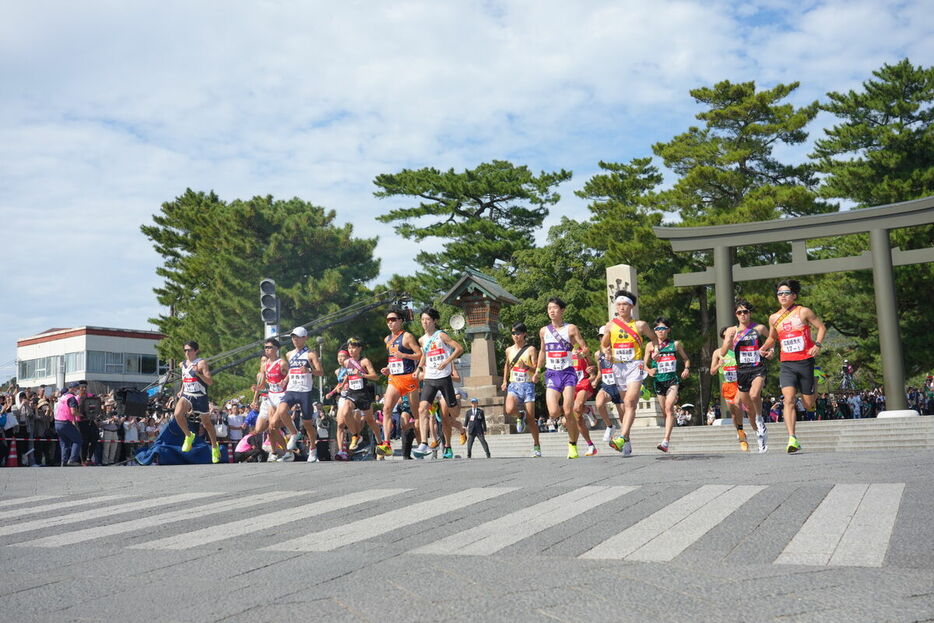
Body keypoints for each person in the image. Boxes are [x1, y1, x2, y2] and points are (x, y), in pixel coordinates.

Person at [759, 279, 827, 453]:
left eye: (786, 293)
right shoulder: (774, 318)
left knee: (809, 403)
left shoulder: (803, 312)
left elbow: (821, 327)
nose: (782, 296)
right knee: (788, 400)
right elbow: (772, 338)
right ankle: (792, 438)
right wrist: (765, 347)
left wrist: (817, 345)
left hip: (805, 362)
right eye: (779, 293)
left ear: (794, 295)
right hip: (787, 363)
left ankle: (814, 384)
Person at [532, 297, 590, 459]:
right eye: (549, 308)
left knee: (567, 409)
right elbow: (543, 352)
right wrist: (537, 370)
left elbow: (585, 348)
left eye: (555, 308)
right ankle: (568, 422)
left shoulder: (571, 329)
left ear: (562, 310)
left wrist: (581, 352)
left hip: (568, 373)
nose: (551, 311)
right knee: (553, 411)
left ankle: (572, 444)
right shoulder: (544, 331)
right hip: (551, 373)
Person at [602, 290, 658, 456]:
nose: (621, 307)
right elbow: (604, 345)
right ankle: (627, 439)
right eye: (618, 304)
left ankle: (621, 436)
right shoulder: (610, 325)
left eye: (624, 304)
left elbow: (654, 338)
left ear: (631, 306)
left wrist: (655, 350)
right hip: (618, 367)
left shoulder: (640, 325)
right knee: (623, 408)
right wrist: (607, 352)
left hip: (635, 365)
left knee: (630, 402)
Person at [719, 300, 770, 453]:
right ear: (736, 314)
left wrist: (770, 351)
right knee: (748, 408)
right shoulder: (731, 331)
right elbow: (722, 352)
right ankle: (758, 433)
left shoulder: (759, 328)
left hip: (757, 369)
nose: (743, 315)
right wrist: (728, 340)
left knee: (755, 394)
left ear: (750, 313)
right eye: (739, 312)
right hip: (741, 371)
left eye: (745, 311)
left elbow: (771, 341)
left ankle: (760, 420)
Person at [414, 307, 465, 460]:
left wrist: (447, 361)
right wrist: (418, 369)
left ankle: (458, 414)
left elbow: (459, 348)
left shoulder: (441, 335)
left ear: (434, 321)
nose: (425, 322)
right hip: (430, 378)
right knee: (422, 408)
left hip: (444, 378)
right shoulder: (422, 339)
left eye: (428, 319)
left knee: (452, 413)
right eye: (422, 319)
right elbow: (424, 354)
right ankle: (423, 443)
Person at [379, 307, 426, 457]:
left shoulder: (407, 337)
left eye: (393, 320)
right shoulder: (387, 339)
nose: (390, 323)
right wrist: (387, 368)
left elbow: (420, 355)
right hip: (394, 378)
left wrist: (404, 354)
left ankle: (421, 444)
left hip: (408, 378)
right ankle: (386, 443)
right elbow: (393, 358)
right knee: (386, 409)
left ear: (400, 321)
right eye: (388, 320)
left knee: (416, 414)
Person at [274, 327, 324, 460]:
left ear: (305, 338)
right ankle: (294, 433)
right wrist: (284, 381)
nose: (295, 340)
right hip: (291, 389)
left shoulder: (311, 354)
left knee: (307, 423)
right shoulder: (289, 354)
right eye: (293, 337)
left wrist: (309, 370)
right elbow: (291, 371)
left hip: (305, 391)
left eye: (298, 337)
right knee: (281, 411)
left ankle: (313, 449)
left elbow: (320, 372)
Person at [644, 317, 691, 453]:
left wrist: (686, 369)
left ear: (668, 330)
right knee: (665, 411)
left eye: (663, 329)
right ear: (654, 331)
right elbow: (643, 364)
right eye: (658, 329)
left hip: (672, 380)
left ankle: (665, 441)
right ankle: (669, 428)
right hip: (658, 381)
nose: (660, 331)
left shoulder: (675, 344)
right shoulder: (650, 346)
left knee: (669, 407)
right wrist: (649, 370)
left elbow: (686, 359)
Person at [337, 338, 384, 460]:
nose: (351, 350)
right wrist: (342, 384)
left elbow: (375, 377)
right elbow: (348, 374)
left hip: (363, 394)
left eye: (353, 348)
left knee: (370, 420)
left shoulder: (365, 361)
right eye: (349, 348)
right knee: (346, 411)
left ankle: (381, 444)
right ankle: (355, 435)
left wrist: (362, 375)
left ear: (359, 349)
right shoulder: (348, 362)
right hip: (351, 393)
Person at [173, 340, 220, 463]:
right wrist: (181, 390)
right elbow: (185, 378)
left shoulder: (201, 363)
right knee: (177, 414)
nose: (187, 352)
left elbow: (209, 382)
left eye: (189, 350)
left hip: (200, 395)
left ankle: (215, 447)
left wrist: (198, 374)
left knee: (206, 424)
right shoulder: (182, 364)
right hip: (187, 394)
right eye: (185, 350)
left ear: (196, 351)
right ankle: (189, 435)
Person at [501, 323, 541, 457]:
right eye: (513, 333)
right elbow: (507, 365)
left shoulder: (531, 349)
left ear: (524, 334)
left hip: (527, 385)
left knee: (531, 419)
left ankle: (536, 445)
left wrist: (527, 368)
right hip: (514, 384)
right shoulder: (509, 350)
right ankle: (519, 415)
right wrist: (504, 381)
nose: (515, 336)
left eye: (518, 333)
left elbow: (536, 369)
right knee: (509, 409)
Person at [594, 327, 624, 443]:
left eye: (604, 336)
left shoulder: (618, 351)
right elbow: (600, 372)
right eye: (600, 337)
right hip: (606, 385)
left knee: (623, 418)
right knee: (599, 403)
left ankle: (625, 440)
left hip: (619, 387)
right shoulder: (598, 354)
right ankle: (610, 426)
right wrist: (595, 380)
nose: (602, 339)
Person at [571, 347, 600, 456]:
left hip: (583, 383)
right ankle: (590, 445)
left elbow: (592, 367)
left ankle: (586, 410)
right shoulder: (562, 352)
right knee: (577, 416)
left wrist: (592, 372)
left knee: (577, 408)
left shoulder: (582, 350)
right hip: (569, 386)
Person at [54, 382, 83, 466]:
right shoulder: (71, 398)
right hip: (65, 422)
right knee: (78, 440)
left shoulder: (62, 397)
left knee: (64, 443)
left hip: (57, 422)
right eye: (77, 388)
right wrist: (82, 415)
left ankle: (64, 461)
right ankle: (72, 460)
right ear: (73, 388)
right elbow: (73, 412)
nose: (78, 390)